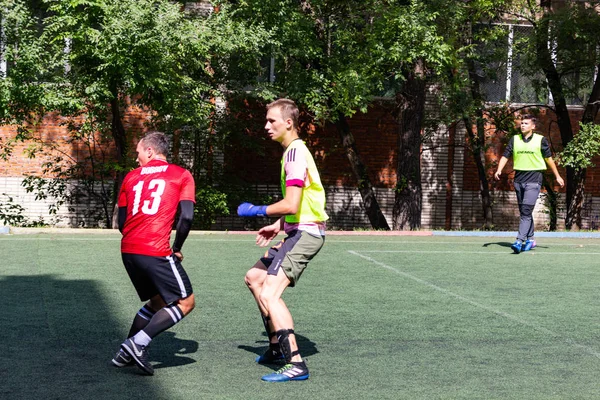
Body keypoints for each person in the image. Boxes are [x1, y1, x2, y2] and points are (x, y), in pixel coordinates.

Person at [238, 98, 328, 382]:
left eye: (271, 121)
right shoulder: (292, 152)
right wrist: (276, 226)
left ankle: (296, 363)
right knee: (254, 277)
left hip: (306, 234)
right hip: (296, 230)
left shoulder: (294, 154)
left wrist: (257, 210)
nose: (266, 126)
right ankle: (276, 348)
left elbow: (291, 204)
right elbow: (300, 205)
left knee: (269, 293)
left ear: (288, 123)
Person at [111, 131, 196, 375]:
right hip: (155, 249)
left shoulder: (130, 177)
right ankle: (137, 344)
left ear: (150, 151)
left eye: (138, 152)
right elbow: (187, 217)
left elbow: (121, 223)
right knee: (186, 302)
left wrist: (135, 241)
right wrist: (177, 248)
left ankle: (124, 354)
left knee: (158, 301)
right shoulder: (181, 174)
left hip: (128, 250)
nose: (136, 158)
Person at [494, 114, 564, 254]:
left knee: (526, 211)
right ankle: (531, 239)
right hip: (519, 179)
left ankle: (519, 241)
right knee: (524, 211)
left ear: (533, 126)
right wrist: (499, 169)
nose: (523, 125)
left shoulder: (540, 140)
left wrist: (557, 175)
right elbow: (505, 155)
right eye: (521, 123)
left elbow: (549, 159)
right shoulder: (515, 139)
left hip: (534, 178)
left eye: (526, 123)